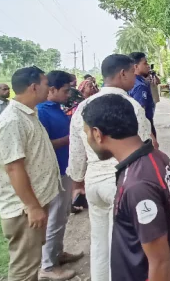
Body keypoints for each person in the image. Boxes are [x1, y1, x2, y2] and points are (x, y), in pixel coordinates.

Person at [80, 94, 170, 281]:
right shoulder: (157, 157)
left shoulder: (137, 184)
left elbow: (160, 263)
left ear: (97, 134)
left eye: (86, 132)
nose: (88, 139)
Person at [66, 54, 153, 281]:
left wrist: (77, 183)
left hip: (94, 183)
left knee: (100, 242)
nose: (134, 78)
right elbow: (144, 149)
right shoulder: (130, 105)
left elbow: (76, 153)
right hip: (122, 183)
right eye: (132, 73)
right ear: (123, 73)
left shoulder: (82, 108)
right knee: (129, 245)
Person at [0, 66, 60, 281]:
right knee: (24, 269)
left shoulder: (28, 114)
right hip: (24, 210)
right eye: (46, 83)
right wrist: (32, 206)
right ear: (34, 86)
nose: (49, 88)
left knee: (32, 261)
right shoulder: (12, 121)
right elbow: (13, 167)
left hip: (32, 203)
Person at [36, 71, 84, 280]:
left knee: (62, 216)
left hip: (65, 170)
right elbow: (44, 145)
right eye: (65, 90)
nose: (68, 94)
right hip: (52, 173)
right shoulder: (41, 112)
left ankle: (57, 253)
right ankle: (47, 266)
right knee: (54, 218)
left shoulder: (56, 108)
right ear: (52, 90)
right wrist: (72, 138)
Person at [129, 52, 158, 139]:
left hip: (135, 127)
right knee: (150, 152)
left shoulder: (130, 81)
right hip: (145, 126)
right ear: (136, 66)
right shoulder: (140, 85)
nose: (148, 66)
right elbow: (141, 113)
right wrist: (151, 137)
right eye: (145, 63)